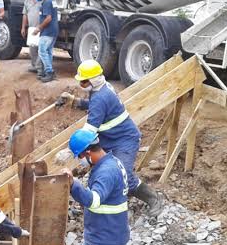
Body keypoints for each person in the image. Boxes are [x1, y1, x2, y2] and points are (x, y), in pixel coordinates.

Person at [56, 60, 163, 216]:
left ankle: (153, 199)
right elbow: (95, 105)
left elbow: (89, 132)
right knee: (101, 169)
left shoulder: (100, 97)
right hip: (112, 139)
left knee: (123, 174)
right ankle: (101, 195)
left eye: (84, 82)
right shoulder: (102, 88)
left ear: (93, 80)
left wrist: (70, 151)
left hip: (124, 140)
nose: (82, 85)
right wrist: (76, 102)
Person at [33, 0, 59, 83]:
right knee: (48, 51)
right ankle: (48, 71)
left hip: (48, 31)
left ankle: (49, 72)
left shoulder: (47, 2)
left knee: (42, 51)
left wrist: (39, 28)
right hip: (53, 30)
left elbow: (48, 18)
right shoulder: (52, 0)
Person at [21, 0, 43, 75]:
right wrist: (23, 27)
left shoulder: (42, 0)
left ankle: (40, 68)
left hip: (41, 27)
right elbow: (25, 14)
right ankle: (34, 65)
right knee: (32, 48)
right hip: (31, 27)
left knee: (41, 48)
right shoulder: (27, 1)